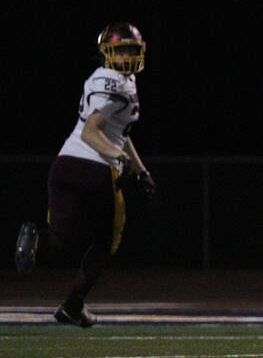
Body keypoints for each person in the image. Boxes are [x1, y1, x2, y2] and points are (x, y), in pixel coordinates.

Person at [14, 22, 157, 327]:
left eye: (132, 50)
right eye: (122, 51)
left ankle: (34, 238)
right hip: (95, 170)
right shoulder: (119, 83)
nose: (128, 57)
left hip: (64, 165)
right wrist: (122, 161)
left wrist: (141, 168)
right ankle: (72, 304)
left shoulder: (105, 78)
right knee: (106, 243)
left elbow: (118, 132)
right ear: (107, 53)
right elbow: (94, 133)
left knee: (62, 241)